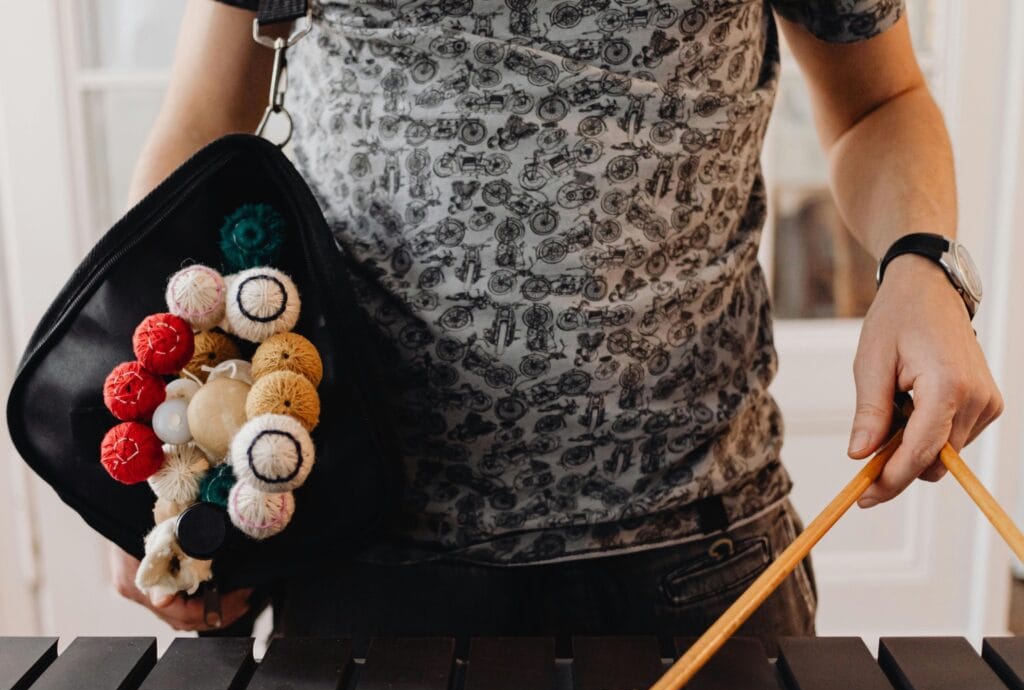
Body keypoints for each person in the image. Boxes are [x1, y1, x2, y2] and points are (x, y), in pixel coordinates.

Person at [110, 0, 1002, 652]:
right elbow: (200, 125)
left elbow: (879, 104)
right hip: (356, 549)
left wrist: (922, 264)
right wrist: (154, 456)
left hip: (696, 552)